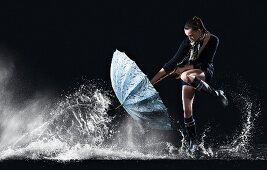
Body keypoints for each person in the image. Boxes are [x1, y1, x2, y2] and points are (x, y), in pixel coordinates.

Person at [150, 16, 228, 152]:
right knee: (187, 110)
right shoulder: (187, 42)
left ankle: (217, 93)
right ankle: (194, 141)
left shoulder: (213, 39)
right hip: (189, 75)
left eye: (192, 35)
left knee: (185, 75)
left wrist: (184, 68)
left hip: (203, 71)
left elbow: (204, 62)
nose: (190, 38)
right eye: (187, 36)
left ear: (199, 31)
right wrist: (151, 82)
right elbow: (171, 63)